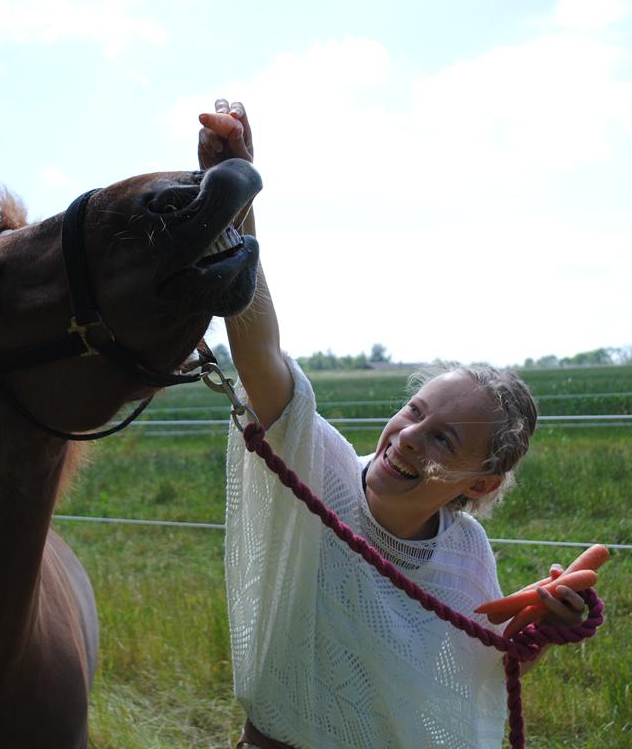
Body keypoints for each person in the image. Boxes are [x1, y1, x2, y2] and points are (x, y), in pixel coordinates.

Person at [197, 99, 588, 749]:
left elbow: (481, 667)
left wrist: (540, 630)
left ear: (482, 483)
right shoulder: (315, 466)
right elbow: (260, 352)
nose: (407, 436)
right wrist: (237, 204)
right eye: (415, 410)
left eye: (442, 438)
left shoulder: (466, 556)